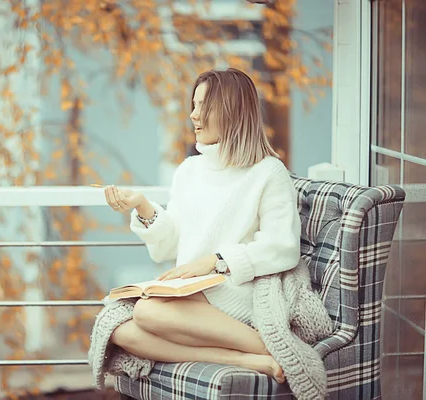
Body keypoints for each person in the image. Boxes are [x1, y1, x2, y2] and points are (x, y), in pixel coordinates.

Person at [102, 68, 302, 384]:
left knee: (145, 313)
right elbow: (168, 246)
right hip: (191, 290)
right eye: (193, 105)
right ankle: (244, 358)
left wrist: (214, 262)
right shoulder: (189, 171)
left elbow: (282, 247)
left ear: (230, 111)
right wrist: (142, 206)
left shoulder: (268, 172)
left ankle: (275, 347)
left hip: (233, 290)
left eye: (202, 106)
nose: (193, 115)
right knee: (119, 330)